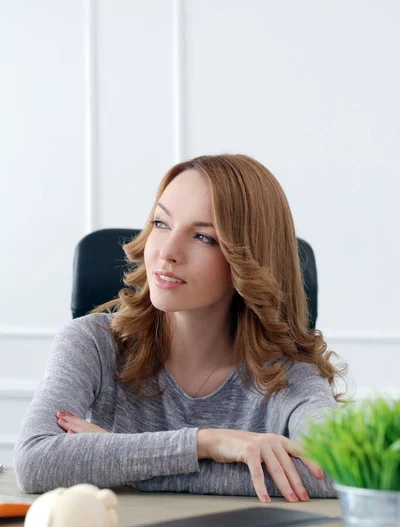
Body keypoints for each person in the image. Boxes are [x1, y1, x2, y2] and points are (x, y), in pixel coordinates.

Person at [14, 154, 346, 501]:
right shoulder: (92, 343)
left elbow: (334, 474)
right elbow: (35, 461)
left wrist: (117, 457)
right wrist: (207, 441)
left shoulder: (287, 375)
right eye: (161, 223)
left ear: (249, 259)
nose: (167, 252)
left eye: (203, 237)